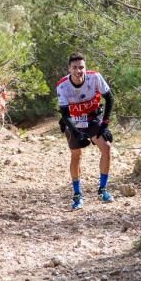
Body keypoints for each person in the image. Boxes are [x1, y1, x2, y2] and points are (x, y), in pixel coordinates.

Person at [57, 52, 114, 210]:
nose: (78, 71)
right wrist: (76, 133)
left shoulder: (95, 77)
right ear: (69, 69)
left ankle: (103, 190)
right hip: (73, 121)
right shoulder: (62, 86)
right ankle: (77, 195)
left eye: (81, 67)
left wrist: (105, 124)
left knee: (106, 147)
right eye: (74, 67)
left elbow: (110, 99)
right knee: (77, 155)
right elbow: (65, 114)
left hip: (92, 118)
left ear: (85, 68)